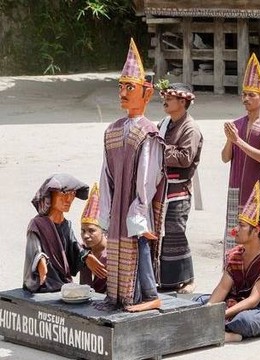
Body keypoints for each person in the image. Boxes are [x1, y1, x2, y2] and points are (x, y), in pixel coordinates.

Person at [98, 39, 167, 312]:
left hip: (135, 205)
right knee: (118, 245)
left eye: (130, 88)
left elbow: (148, 176)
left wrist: (138, 209)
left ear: (146, 94)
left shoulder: (148, 132)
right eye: (121, 87)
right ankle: (117, 296)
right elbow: (106, 174)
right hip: (117, 204)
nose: (123, 93)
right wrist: (108, 207)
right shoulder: (112, 130)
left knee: (139, 245)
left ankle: (146, 296)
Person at [199, 180, 260, 343]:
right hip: (244, 301)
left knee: (243, 320)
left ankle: (229, 332)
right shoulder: (237, 254)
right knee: (199, 303)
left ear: (256, 231)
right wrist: (208, 310)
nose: (234, 229)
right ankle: (218, 327)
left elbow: (253, 300)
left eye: (241, 225)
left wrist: (217, 314)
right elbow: (222, 288)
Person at [221, 53, 260, 263]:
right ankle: (231, 283)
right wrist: (230, 140)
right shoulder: (237, 123)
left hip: (256, 190)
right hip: (236, 188)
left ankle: (252, 282)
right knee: (233, 238)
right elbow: (225, 157)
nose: (246, 99)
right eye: (244, 94)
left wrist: (237, 140)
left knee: (253, 239)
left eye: (252, 95)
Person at [156, 81, 202, 294]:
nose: (165, 101)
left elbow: (185, 158)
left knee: (176, 233)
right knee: (161, 234)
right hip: (162, 188)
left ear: (182, 102)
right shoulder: (164, 123)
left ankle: (187, 279)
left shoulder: (190, 128)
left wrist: (160, 151)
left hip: (179, 191)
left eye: (170, 98)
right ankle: (166, 280)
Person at [23, 174, 107, 293]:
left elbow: (74, 247)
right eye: (63, 194)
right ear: (50, 196)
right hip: (44, 283)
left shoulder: (66, 225)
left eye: (72, 194)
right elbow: (34, 248)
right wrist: (40, 260)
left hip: (63, 283)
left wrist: (86, 257)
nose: (69, 200)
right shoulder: (37, 224)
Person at [79, 183, 108, 294]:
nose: (86, 236)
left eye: (91, 231)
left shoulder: (113, 253)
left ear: (103, 231)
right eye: (83, 231)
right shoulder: (82, 251)